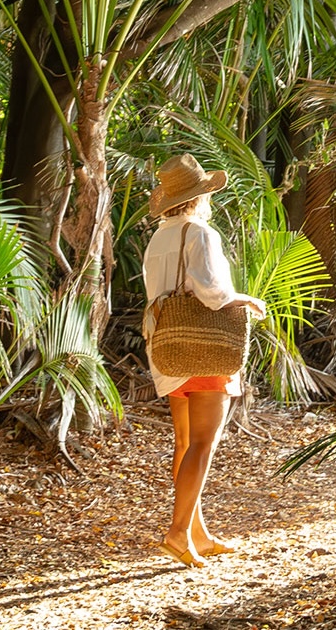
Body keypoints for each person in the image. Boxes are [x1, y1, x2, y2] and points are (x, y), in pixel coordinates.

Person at [141, 153, 267, 568]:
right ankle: (178, 533)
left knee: (183, 441)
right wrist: (246, 300)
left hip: (169, 347)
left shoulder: (158, 237)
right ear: (200, 197)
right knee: (202, 443)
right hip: (206, 348)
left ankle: (197, 531)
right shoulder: (201, 233)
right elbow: (213, 293)